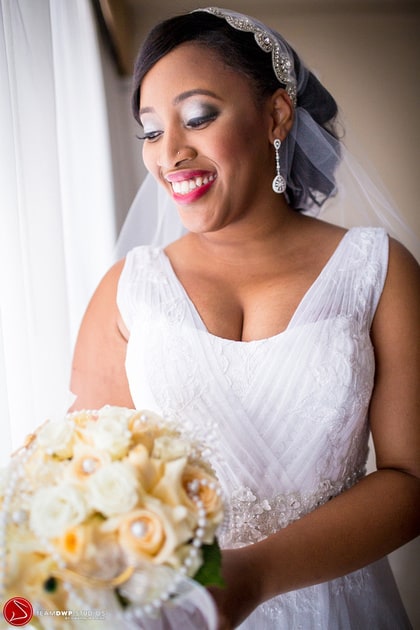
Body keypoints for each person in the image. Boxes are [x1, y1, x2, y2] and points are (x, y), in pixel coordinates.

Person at [70, 7, 420, 629]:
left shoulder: (377, 269)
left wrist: (254, 575)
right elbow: (89, 483)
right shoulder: (128, 291)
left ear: (276, 115)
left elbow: (411, 477)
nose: (170, 153)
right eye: (150, 132)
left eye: (198, 117)